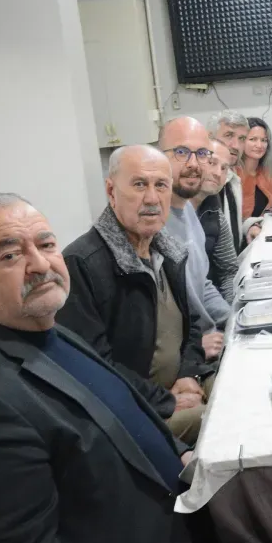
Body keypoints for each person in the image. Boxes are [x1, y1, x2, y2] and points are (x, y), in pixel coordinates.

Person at [0, 192, 195, 543]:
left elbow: (119, 408)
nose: (40, 264)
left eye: (46, 245)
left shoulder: (41, 323)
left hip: (183, 505)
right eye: (10, 255)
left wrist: (179, 453)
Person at [59, 145, 212, 443]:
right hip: (133, 413)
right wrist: (166, 400)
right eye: (140, 184)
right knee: (226, 420)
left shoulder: (167, 249)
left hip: (181, 385)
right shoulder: (82, 263)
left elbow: (192, 323)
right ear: (111, 191)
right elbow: (93, 368)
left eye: (161, 185)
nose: (152, 198)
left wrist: (188, 373)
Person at [158, 117, 230, 346]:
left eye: (201, 153)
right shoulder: (153, 223)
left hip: (209, 338)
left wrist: (235, 320)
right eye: (181, 152)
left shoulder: (188, 210)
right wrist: (196, 345)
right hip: (190, 352)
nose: (193, 163)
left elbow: (202, 286)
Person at [192, 139, 239, 304]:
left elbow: (229, 271)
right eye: (212, 163)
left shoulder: (215, 213)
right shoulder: (168, 213)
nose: (218, 173)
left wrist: (231, 311)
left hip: (212, 304)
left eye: (224, 168)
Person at [206, 110, 249, 252]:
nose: (236, 145)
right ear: (209, 138)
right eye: (229, 135)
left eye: (242, 138)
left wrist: (249, 226)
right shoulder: (202, 183)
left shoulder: (233, 180)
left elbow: (230, 226)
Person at [238, 117, 272, 245]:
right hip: (239, 240)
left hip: (266, 235)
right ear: (241, 141)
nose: (259, 145)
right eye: (253, 139)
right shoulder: (232, 174)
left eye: (264, 140)